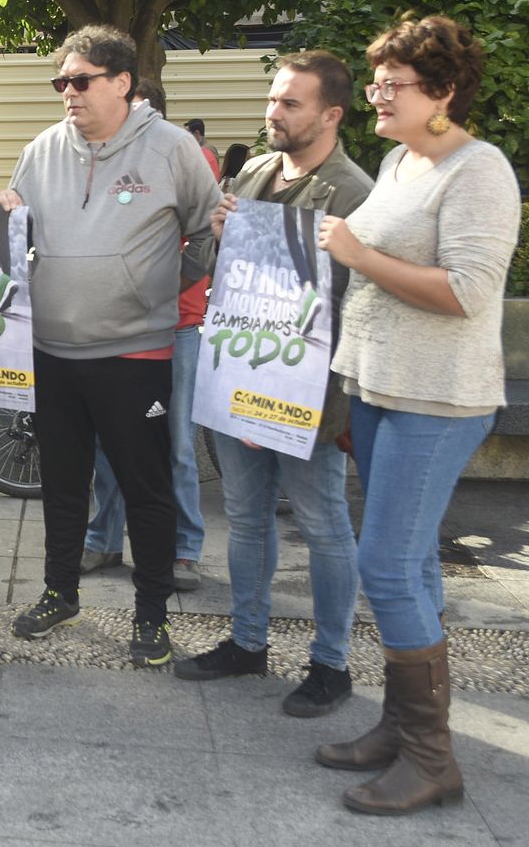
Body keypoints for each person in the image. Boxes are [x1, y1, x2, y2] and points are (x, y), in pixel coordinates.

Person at [314, 16, 519, 815]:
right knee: (415, 568)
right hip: (376, 387)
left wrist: (359, 254)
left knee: (388, 565)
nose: (377, 95)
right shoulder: (401, 162)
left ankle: (434, 759)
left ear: (441, 93)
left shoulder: (480, 171)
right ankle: (403, 727)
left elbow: (467, 290)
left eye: (392, 84)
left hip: (437, 397)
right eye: (375, 81)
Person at [0, 26, 221, 667]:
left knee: (145, 488)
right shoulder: (40, 150)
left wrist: (157, 290)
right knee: (64, 484)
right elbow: (23, 236)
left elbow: (208, 233)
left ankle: (151, 616)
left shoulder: (173, 149)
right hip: (54, 352)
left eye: (81, 81)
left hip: (136, 354)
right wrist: (7, 216)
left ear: (122, 82)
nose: (68, 93)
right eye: (61, 82)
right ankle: (60, 592)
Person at [172, 50, 374, 716]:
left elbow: (354, 310)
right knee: (248, 517)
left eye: (290, 103)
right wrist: (219, 238)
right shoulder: (253, 172)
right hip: (238, 380)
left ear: (331, 114)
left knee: (322, 523)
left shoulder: (355, 195)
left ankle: (331, 663)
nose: (273, 112)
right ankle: (248, 641)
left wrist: (314, 405)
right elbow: (206, 265)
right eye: (272, 99)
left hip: (308, 398)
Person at [81, 84, 219, 590]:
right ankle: (103, 542)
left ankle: (184, 550)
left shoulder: (186, 154)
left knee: (176, 444)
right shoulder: (97, 158)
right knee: (108, 443)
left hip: (177, 328)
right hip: (115, 331)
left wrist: (171, 289)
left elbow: (206, 233)